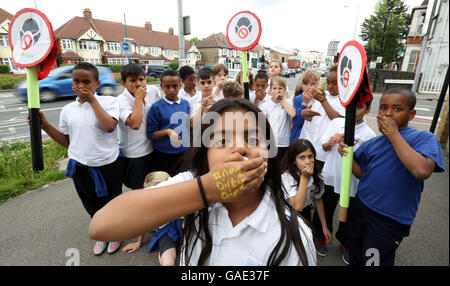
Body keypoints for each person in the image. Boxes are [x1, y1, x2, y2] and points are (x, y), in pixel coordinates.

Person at [88, 98, 317, 266]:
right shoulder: (194, 182)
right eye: (223, 140)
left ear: (269, 152)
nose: (239, 147)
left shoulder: (294, 235)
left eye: (253, 138)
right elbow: (101, 226)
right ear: (205, 154)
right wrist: (206, 190)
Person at [339, 88, 445, 266]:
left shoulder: (423, 138)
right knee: (356, 252)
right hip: (362, 207)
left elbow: (421, 171)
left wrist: (394, 134)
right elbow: (362, 174)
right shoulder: (374, 143)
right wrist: (346, 153)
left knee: (373, 260)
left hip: (389, 219)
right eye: (383, 108)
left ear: (411, 115)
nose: (388, 113)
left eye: (397, 109)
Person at [29, 62, 123, 256]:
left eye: (86, 82)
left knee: (112, 202)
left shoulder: (108, 102)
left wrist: (92, 101)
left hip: (107, 165)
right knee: (90, 203)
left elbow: (109, 127)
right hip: (80, 166)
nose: (81, 86)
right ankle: (101, 233)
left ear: (96, 83)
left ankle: (116, 233)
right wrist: (45, 126)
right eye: (76, 81)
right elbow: (67, 141)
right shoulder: (68, 109)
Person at [318, 98, 376, 264]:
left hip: (351, 183)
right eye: (351, 107)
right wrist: (331, 142)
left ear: (367, 109)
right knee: (325, 208)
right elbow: (323, 147)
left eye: (359, 107)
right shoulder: (336, 122)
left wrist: (350, 151)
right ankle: (321, 236)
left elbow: (367, 165)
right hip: (330, 176)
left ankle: (347, 243)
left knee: (350, 216)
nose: (354, 111)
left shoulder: (370, 135)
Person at [122, 171, 181, 267]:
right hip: (166, 231)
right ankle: (163, 250)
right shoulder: (148, 206)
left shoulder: (177, 193)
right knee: (168, 263)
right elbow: (143, 224)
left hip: (181, 224)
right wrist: (139, 242)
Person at [117, 63, 160, 191]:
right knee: (138, 187)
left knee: (154, 184)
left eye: (141, 79)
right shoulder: (121, 100)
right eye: (132, 81)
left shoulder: (153, 90)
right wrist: (138, 98)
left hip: (153, 148)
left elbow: (160, 110)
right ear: (123, 84)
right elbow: (135, 124)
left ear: (145, 79)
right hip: (135, 153)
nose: (138, 83)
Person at [280, 139, 332, 245]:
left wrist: (324, 226)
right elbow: (297, 207)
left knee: (305, 239)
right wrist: (304, 179)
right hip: (288, 214)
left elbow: (318, 199)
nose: (308, 161)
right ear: (294, 160)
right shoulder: (287, 177)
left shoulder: (317, 175)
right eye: (302, 157)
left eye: (310, 156)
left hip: (306, 211)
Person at [146, 70, 190, 176]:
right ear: (161, 86)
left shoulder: (186, 104)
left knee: (182, 184)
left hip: (183, 153)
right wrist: (168, 132)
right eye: (167, 86)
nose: (171, 90)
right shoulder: (156, 107)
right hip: (163, 155)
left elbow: (188, 128)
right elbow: (151, 134)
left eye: (175, 86)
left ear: (180, 85)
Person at [259, 76, 296, 161]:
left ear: (285, 89)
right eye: (274, 88)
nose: (277, 91)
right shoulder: (265, 105)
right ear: (270, 90)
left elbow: (293, 114)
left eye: (280, 88)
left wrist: (282, 100)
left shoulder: (288, 102)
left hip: (284, 143)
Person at [290, 70, 319, 143]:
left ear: (318, 84)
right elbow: (297, 122)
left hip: (314, 138)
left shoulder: (320, 99)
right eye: (306, 84)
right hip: (299, 138)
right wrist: (304, 103)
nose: (309, 87)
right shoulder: (298, 99)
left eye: (312, 84)